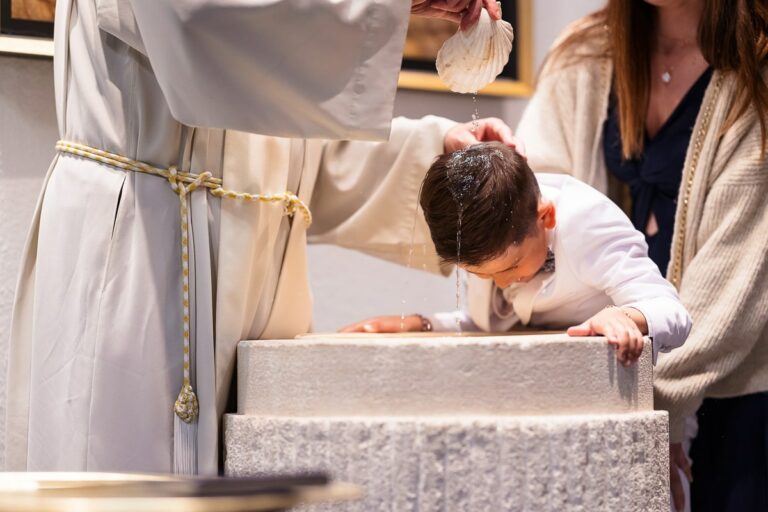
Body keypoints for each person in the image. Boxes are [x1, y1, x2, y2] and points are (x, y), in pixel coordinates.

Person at [4, 0, 517, 475]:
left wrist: (430, 153)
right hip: (140, 258)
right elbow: (201, 15)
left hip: (257, 295)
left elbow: (283, 155)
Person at [498, 1, 768, 509]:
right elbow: (530, 226)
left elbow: (733, 288)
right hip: (605, 393)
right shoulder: (583, 53)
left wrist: (650, 414)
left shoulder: (756, 65)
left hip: (728, 399)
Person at [342, 142, 692, 367]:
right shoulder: (486, 227)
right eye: (483, 275)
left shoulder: (589, 223)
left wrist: (627, 317)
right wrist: (421, 324)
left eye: (510, 266)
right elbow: (490, 323)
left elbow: (673, 312)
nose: (503, 283)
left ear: (546, 217)